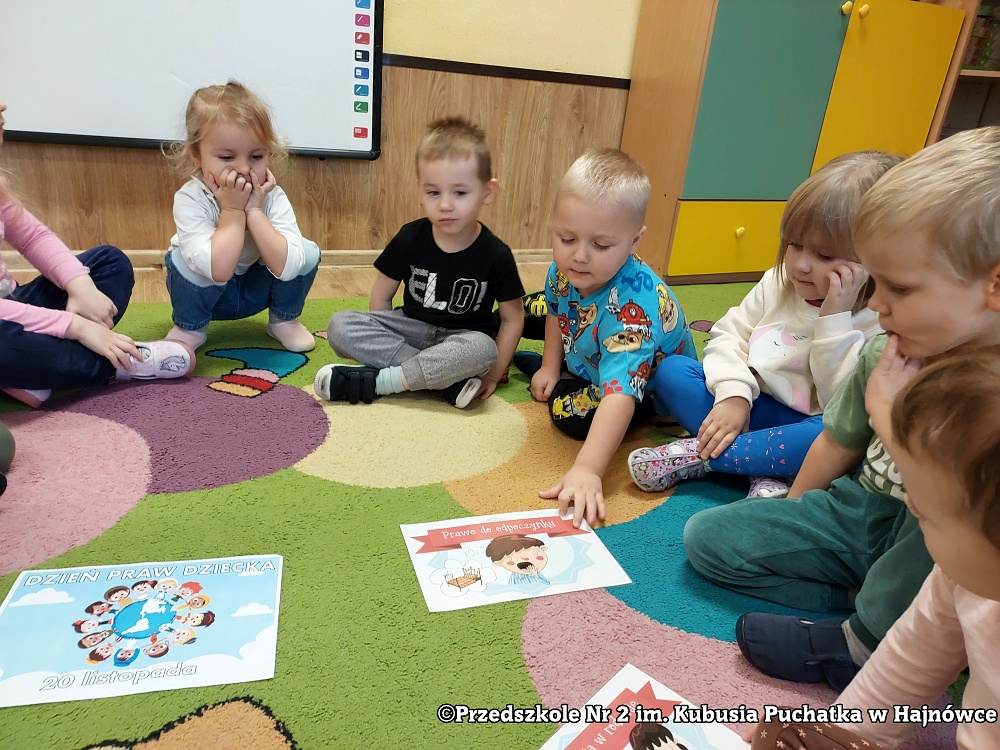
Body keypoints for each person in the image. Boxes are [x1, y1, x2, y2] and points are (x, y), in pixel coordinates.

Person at [682, 126, 1000, 691]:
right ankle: (867, 600)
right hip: (858, 508)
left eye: (899, 289)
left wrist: (889, 417)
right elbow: (837, 438)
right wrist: (792, 513)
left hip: (933, 534)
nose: (879, 305)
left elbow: (947, 509)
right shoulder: (886, 348)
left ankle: (864, 639)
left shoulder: (982, 389)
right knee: (705, 539)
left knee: (938, 530)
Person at [750, 349, 1000, 750]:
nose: (910, 507)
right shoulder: (964, 570)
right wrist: (828, 735)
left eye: (927, 512)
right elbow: (906, 666)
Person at [629, 151, 897, 499]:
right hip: (751, 406)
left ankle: (703, 458)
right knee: (672, 372)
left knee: (837, 439)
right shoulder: (778, 281)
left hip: (809, 429)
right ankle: (763, 465)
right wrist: (733, 396)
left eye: (825, 256)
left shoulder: (880, 321)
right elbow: (728, 336)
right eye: (795, 245)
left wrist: (834, 320)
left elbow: (840, 408)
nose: (800, 265)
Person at [530, 149, 697, 528]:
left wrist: (588, 469)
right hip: (587, 339)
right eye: (566, 237)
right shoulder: (563, 270)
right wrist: (549, 366)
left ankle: (579, 383)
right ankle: (550, 361)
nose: (579, 256)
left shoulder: (631, 311)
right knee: (528, 309)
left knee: (569, 415)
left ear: (635, 241)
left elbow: (619, 392)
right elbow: (556, 310)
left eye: (601, 245)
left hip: (638, 387)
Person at [316, 117, 524, 408]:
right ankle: (443, 383)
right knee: (339, 325)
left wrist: (492, 375)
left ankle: (385, 381)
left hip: (460, 342)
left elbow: (513, 318)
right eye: (433, 192)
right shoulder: (410, 237)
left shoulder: (496, 254)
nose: (445, 204)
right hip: (409, 331)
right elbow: (382, 295)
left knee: (485, 348)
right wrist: (383, 338)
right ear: (420, 191)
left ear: (487, 192)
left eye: (460, 192)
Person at [0, 100, 195, 410]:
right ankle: (116, 363)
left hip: (13, 306)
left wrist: (80, 286)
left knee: (110, 262)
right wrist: (76, 327)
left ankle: (35, 369)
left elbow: (34, 237)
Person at [164, 80, 320, 354]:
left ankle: (284, 320)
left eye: (256, 156)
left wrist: (254, 212)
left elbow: (290, 267)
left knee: (306, 252)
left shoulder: (272, 196)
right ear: (196, 155)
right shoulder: (191, 198)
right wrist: (233, 211)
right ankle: (190, 327)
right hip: (211, 296)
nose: (244, 169)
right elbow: (217, 269)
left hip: (255, 291)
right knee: (180, 260)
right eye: (227, 157)